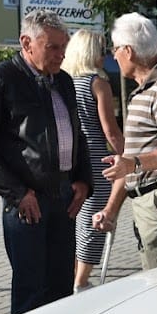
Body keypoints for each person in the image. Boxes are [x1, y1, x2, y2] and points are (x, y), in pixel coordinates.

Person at [0, 8, 91, 314]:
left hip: (63, 200)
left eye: (64, 46)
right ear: (26, 43)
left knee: (61, 289)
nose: (61, 55)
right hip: (27, 205)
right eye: (53, 47)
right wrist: (18, 193)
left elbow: (77, 134)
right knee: (31, 293)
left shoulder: (63, 82)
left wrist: (84, 180)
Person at [92, 12, 157, 270]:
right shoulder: (145, 90)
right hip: (152, 200)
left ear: (128, 51)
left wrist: (133, 164)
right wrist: (110, 210)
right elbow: (129, 159)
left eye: (115, 49)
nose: (113, 56)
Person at [60, 28, 124, 291]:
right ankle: (81, 281)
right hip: (96, 157)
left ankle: (71, 275)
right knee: (94, 219)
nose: (105, 55)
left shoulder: (64, 82)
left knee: (75, 219)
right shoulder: (97, 84)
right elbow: (109, 129)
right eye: (101, 49)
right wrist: (127, 153)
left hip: (69, 156)